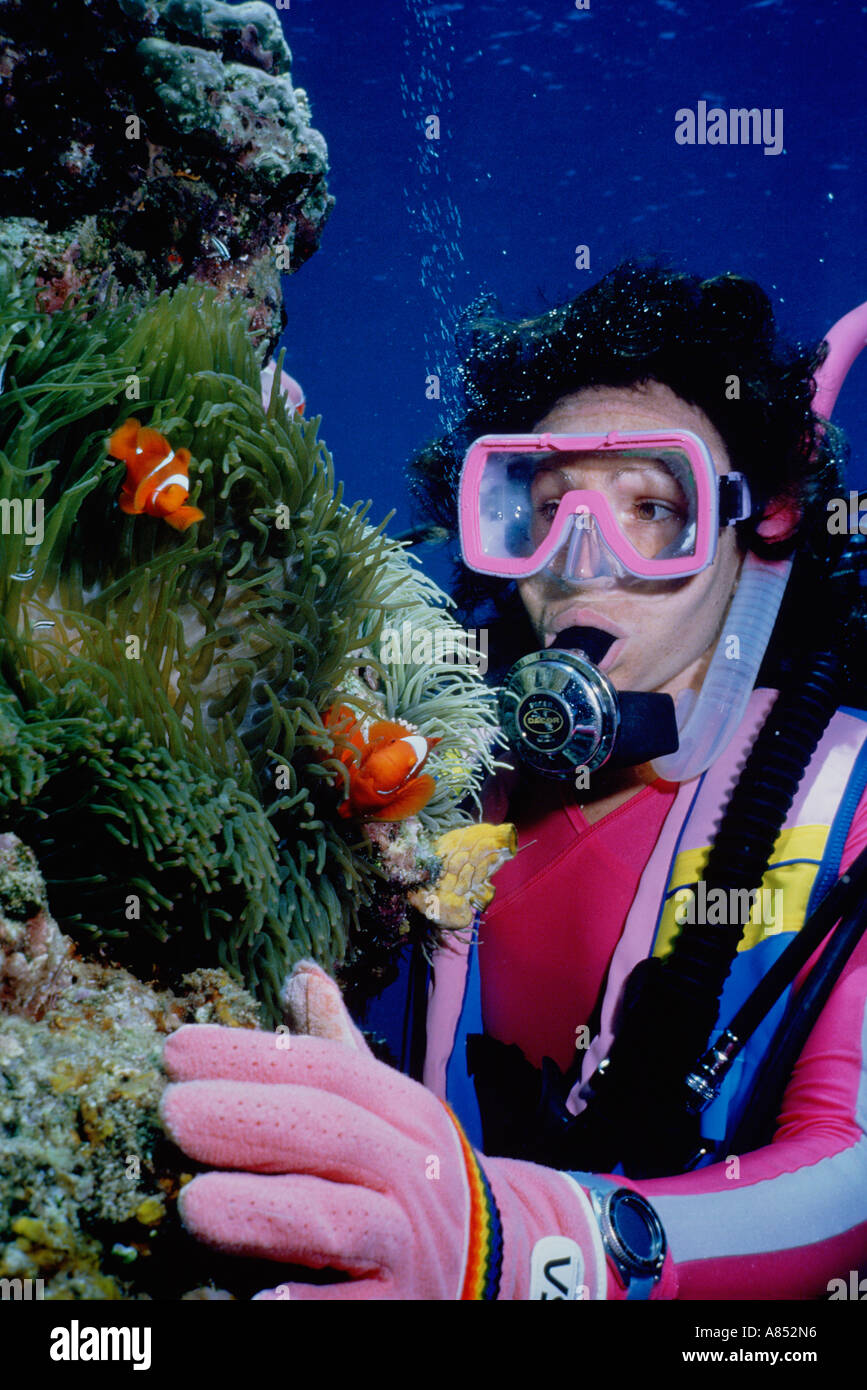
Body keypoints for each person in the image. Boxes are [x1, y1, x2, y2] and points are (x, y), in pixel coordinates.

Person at [160, 262, 867, 1300]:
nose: (584, 561)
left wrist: (530, 1247)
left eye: (653, 510)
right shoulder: (436, 772)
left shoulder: (844, 806)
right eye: (542, 509)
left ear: (754, 536)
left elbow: (849, 1175)